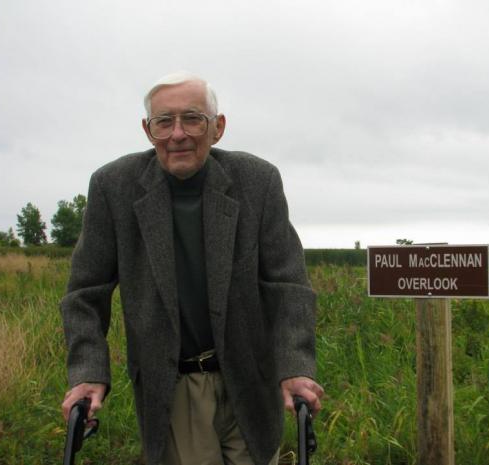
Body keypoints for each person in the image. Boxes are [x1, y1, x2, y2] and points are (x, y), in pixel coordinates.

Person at [60, 70, 324, 465]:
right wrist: (88, 372)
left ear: (217, 127)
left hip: (251, 379)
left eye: (192, 119)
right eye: (164, 122)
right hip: (174, 384)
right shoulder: (113, 186)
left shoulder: (257, 181)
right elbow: (85, 292)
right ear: (148, 131)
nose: (177, 133)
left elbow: (287, 285)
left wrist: (296, 366)